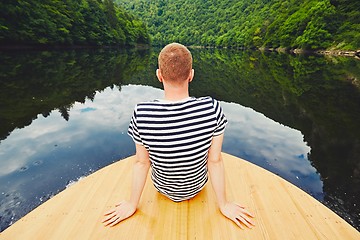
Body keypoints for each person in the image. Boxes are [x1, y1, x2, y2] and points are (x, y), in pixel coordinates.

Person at [102, 43, 255, 229]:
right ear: (191, 75)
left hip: (163, 189)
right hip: (197, 188)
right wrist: (224, 204)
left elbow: (142, 163)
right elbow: (214, 161)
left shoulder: (142, 113)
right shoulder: (212, 108)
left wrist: (132, 204)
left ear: (159, 75)